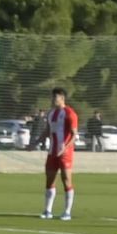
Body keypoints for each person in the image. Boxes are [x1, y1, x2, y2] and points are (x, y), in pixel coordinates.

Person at [40, 88, 79, 220]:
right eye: (52, 97)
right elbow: (47, 131)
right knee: (49, 180)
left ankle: (67, 212)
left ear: (62, 98)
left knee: (66, 180)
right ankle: (47, 210)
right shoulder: (51, 113)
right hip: (52, 151)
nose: (52, 100)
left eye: (55, 98)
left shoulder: (70, 113)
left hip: (65, 153)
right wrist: (34, 143)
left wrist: (65, 147)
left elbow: (74, 135)